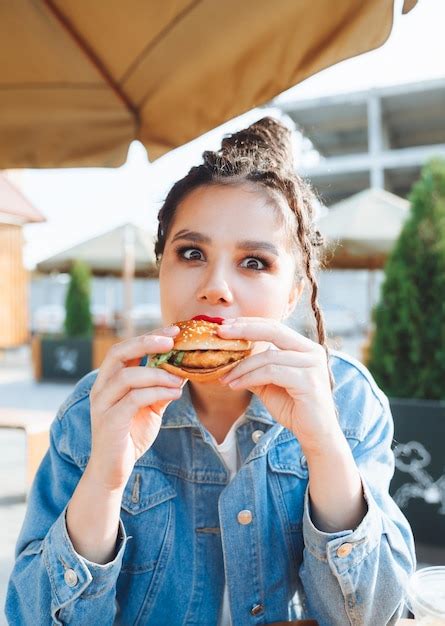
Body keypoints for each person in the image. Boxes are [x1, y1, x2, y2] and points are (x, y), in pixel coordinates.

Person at [5, 117, 415, 626]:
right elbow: (30, 617)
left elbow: (374, 615)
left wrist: (325, 447)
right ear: (162, 269)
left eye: (255, 262)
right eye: (191, 253)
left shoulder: (348, 400)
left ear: (293, 293)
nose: (216, 286)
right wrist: (104, 482)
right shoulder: (100, 406)